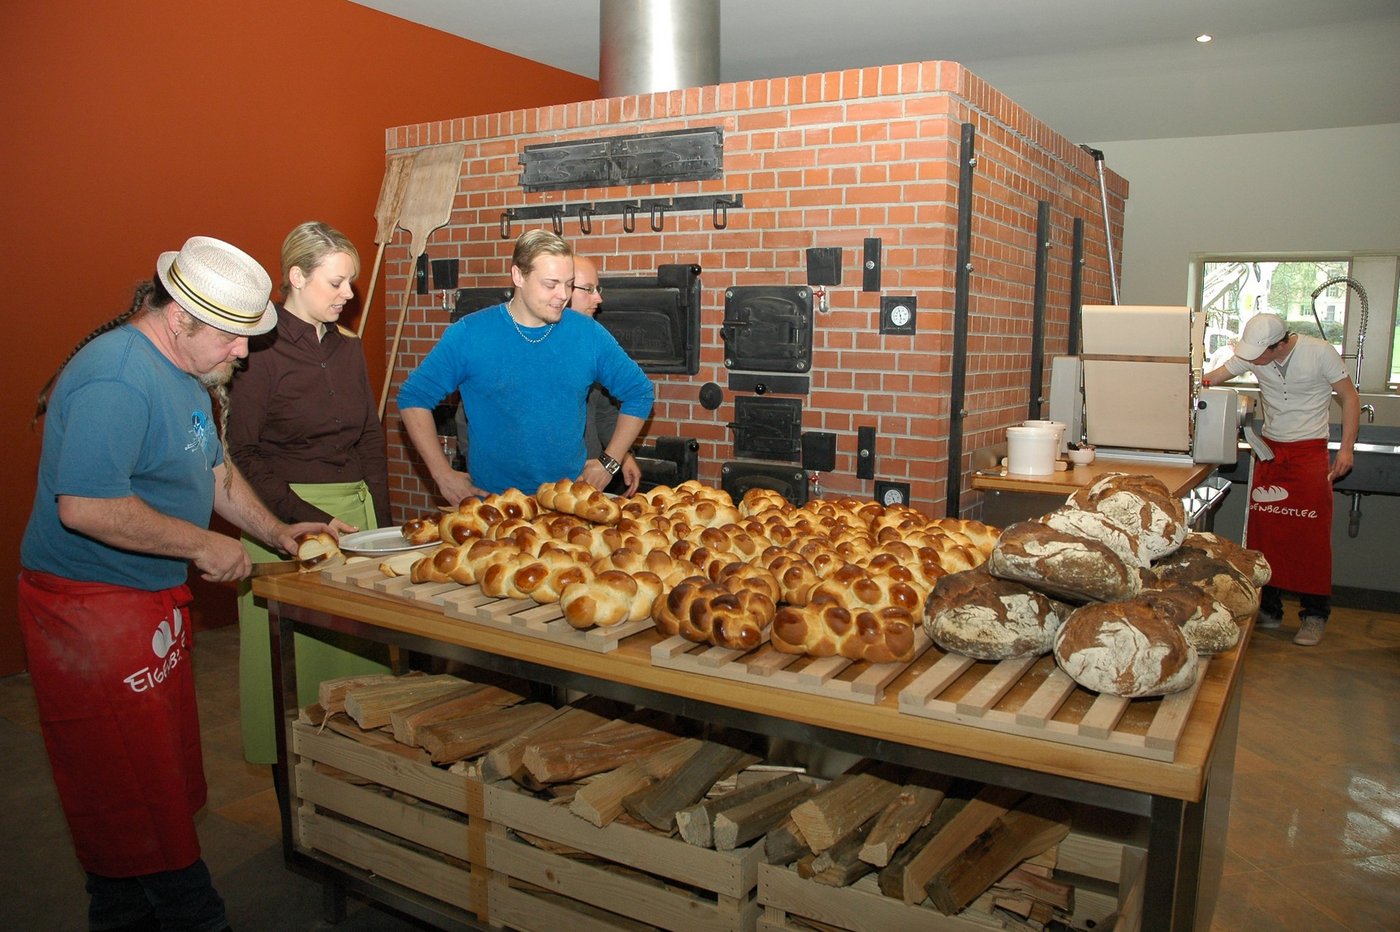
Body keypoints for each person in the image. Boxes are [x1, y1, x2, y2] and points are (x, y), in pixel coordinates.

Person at [19, 236, 334, 932]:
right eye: (233, 338)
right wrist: (201, 544)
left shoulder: (184, 367)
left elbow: (212, 469)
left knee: (150, 773)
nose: (243, 355)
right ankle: (193, 912)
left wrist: (275, 533)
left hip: (146, 603)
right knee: (126, 778)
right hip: (90, 613)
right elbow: (88, 506)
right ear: (180, 316)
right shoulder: (116, 378)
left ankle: (121, 907)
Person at [226, 221, 393, 766]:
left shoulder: (346, 348)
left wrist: (382, 527)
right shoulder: (257, 352)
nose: (349, 295)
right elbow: (242, 455)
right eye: (337, 283)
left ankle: (359, 766)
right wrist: (307, 517)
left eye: (351, 283)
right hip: (283, 518)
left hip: (356, 517)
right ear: (296, 277)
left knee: (360, 662)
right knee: (289, 672)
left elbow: (370, 436)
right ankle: (289, 779)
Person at [398, 230, 654, 502]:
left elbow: (639, 392)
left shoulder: (587, 333)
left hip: (567, 504)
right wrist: (442, 474)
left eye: (569, 284)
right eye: (551, 284)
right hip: (493, 506)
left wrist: (610, 462)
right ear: (518, 276)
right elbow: (413, 397)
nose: (563, 295)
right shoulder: (470, 334)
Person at [1203, 312, 1360, 646]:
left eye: (1257, 354)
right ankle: (1269, 608)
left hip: (1309, 453)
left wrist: (1346, 449)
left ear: (1278, 345)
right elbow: (1214, 378)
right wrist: (1186, 384)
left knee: (1311, 535)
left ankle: (1315, 614)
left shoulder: (1320, 353)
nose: (1250, 360)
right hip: (1271, 452)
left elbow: (1349, 397)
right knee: (1264, 534)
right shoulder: (1253, 356)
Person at [451, 252, 643, 494]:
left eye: (598, 288)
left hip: (582, 488)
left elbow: (605, 412)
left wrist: (618, 456)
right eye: (588, 288)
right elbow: (469, 415)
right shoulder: (510, 339)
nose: (598, 297)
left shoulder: (592, 339)